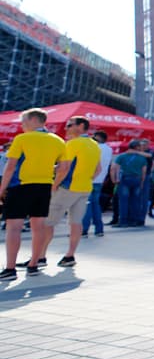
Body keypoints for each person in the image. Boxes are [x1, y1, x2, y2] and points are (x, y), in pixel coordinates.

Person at [1, 108, 66, 278]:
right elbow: (64, 167)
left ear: (33, 120)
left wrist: (1, 189)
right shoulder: (58, 140)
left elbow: (10, 167)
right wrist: (54, 183)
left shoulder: (22, 139)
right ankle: (34, 264)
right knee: (39, 227)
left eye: (24, 122)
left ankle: (10, 268)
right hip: (44, 186)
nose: (22, 125)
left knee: (13, 228)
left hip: (20, 186)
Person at [43, 115, 102, 268]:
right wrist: (86, 179)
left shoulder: (72, 144)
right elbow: (98, 169)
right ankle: (70, 256)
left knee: (48, 223)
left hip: (67, 188)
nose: (66, 127)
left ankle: (39, 256)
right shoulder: (94, 144)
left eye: (70, 125)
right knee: (76, 223)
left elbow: (64, 168)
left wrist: (54, 185)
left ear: (81, 126)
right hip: (85, 188)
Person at [81, 129, 113, 238]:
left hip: (89, 178)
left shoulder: (94, 147)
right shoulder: (109, 149)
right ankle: (99, 229)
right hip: (100, 180)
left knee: (87, 205)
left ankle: (83, 229)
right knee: (95, 205)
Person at [111, 140, 150, 227]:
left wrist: (114, 179)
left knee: (123, 201)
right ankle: (134, 220)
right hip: (137, 179)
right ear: (136, 147)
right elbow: (144, 172)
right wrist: (142, 182)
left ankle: (123, 221)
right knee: (135, 201)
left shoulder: (121, 156)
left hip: (124, 179)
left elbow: (114, 168)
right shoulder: (142, 158)